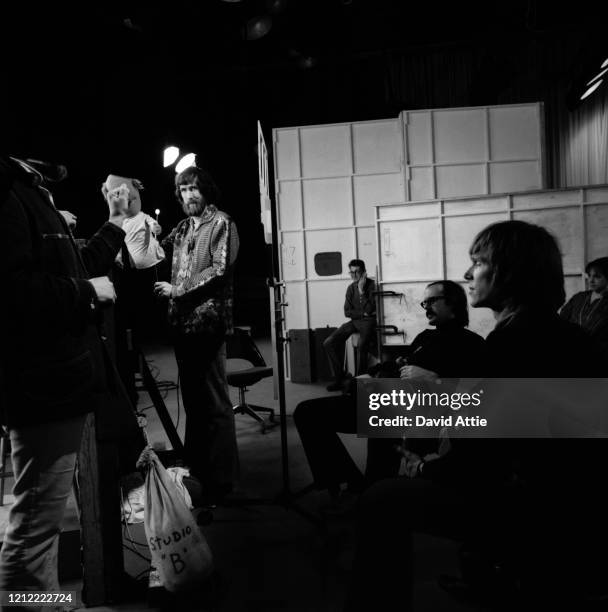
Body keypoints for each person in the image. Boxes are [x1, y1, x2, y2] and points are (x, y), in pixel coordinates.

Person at [344, 220, 606, 611]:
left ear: (510, 271)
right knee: (383, 415)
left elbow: (489, 454)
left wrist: (428, 468)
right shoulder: (563, 334)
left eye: (478, 262)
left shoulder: (511, 342)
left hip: (536, 506)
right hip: (568, 496)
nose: (468, 274)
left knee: (381, 499)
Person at [0, 155, 127, 599]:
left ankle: (47, 604)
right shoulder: (8, 190)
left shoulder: (31, 188)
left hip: (55, 382)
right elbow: (13, 292)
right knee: (35, 528)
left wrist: (115, 224)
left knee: (42, 526)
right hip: (42, 384)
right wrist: (88, 291)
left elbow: (72, 266)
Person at [294, 280, 484, 508]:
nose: (426, 307)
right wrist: (372, 374)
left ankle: (374, 490)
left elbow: (475, 396)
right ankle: (347, 479)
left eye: (432, 301)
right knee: (307, 412)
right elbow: (399, 366)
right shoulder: (424, 338)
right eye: (424, 303)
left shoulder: (472, 344)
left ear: (453, 302)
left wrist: (435, 379)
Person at [154, 166, 239, 504]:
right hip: (184, 328)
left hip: (208, 326)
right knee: (193, 404)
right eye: (183, 189)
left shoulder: (222, 223)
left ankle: (222, 481)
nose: (189, 195)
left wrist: (178, 289)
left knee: (215, 405)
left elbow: (218, 271)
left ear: (206, 190)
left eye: (194, 188)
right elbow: (156, 249)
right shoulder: (185, 227)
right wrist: (151, 230)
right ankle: (199, 475)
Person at [324, 259, 376, 391]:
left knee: (361, 346)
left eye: (357, 272)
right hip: (355, 322)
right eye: (351, 272)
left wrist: (361, 291)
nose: (353, 275)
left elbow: (370, 309)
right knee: (328, 342)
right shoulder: (350, 288)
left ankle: (358, 383)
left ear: (364, 272)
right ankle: (339, 378)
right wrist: (362, 314)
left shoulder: (372, 286)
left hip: (369, 322)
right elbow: (347, 312)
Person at [560, 256, 608, 364]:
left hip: (598, 359)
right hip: (569, 353)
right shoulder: (579, 298)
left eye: (597, 276)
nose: (591, 280)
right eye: (589, 275)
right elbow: (561, 320)